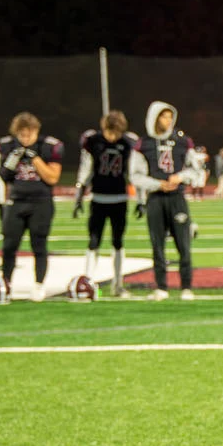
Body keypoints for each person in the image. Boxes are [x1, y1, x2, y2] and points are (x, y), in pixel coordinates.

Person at [130, 100, 202, 301]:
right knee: (157, 244)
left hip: (177, 197)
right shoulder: (143, 144)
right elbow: (135, 176)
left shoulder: (182, 141)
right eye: (164, 116)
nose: (168, 120)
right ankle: (161, 287)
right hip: (156, 199)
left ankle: (186, 286)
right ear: (154, 117)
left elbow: (196, 170)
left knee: (184, 244)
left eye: (170, 116)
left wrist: (179, 177)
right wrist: (157, 184)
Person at [0, 112, 63, 302]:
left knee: (39, 245)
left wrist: (35, 159)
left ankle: (38, 286)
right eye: (21, 134)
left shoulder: (48, 146)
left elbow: (52, 177)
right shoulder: (9, 146)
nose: (25, 138)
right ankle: (6, 284)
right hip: (16, 201)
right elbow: (4, 176)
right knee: (9, 245)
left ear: (36, 131)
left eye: (29, 133)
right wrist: (14, 158)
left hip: (40, 202)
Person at [75, 111, 138, 297]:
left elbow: (132, 171)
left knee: (118, 242)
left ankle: (117, 284)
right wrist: (79, 195)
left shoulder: (128, 142)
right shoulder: (93, 141)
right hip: (98, 198)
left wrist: (140, 199)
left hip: (119, 198)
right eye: (110, 132)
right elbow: (85, 169)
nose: (112, 137)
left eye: (116, 133)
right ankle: (88, 283)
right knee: (93, 241)